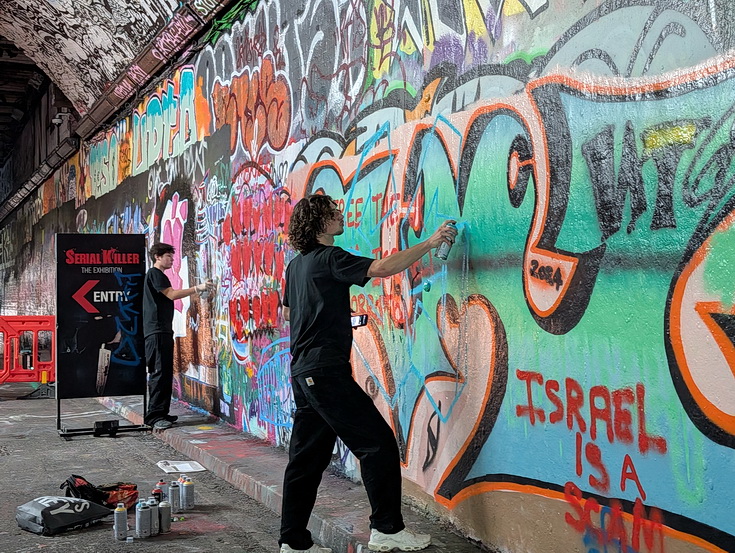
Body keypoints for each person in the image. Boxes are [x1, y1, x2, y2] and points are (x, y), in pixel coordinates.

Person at [279, 195, 457, 553]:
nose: (339, 215)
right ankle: (387, 530)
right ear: (320, 223)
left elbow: (287, 313)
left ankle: (293, 543)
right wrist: (431, 243)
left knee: (306, 460)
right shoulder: (330, 258)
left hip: (303, 371)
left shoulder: (295, 267)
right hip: (326, 372)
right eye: (333, 213)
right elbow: (380, 268)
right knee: (378, 445)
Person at [143, 242, 213, 430]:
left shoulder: (158, 275)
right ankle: (155, 417)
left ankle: (161, 412)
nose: (172, 260)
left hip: (162, 331)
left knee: (165, 373)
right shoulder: (155, 274)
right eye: (168, 256)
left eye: (172, 257)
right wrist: (198, 288)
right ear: (157, 256)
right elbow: (172, 295)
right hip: (157, 332)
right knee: (159, 373)